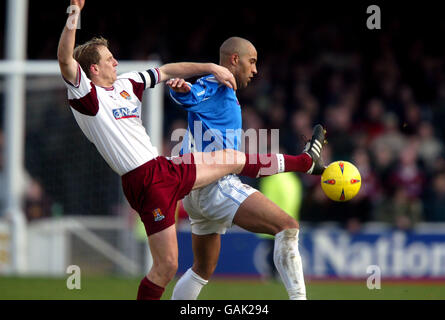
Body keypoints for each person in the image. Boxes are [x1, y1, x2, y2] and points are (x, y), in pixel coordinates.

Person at [59, 2, 326, 300]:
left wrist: (210, 66)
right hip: (148, 179)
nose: (116, 63)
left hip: (164, 170)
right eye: (109, 60)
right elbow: (65, 61)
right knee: (276, 216)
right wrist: (73, 15)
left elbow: (167, 70)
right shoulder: (88, 96)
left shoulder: (126, 83)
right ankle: (304, 163)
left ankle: (304, 162)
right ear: (93, 69)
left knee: (178, 267)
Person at [167, 37, 326, 300]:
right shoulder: (216, 83)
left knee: (202, 269)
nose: (255, 70)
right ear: (234, 60)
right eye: (251, 62)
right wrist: (181, 91)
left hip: (197, 189)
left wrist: (183, 92)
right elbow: (190, 95)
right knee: (287, 226)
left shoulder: (224, 91)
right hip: (214, 185)